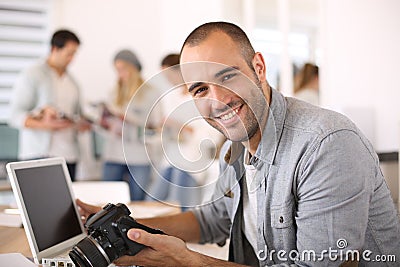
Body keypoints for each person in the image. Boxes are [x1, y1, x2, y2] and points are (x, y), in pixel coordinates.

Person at [78, 22, 400, 266]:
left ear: (258, 68)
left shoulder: (326, 145)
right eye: (200, 89)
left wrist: (187, 261)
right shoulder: (236, 148)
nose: (218, 101)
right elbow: (212, 220)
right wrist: (124, 229)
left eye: (228, 76)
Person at [9, 29, 90, 181]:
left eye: (74, 54)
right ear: (54, 49)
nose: (72, 59)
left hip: (69, 156)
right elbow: (15, 115)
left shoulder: (73, 82)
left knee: (67, 204)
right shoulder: (32, 74)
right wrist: (46, 124)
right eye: (69, 54)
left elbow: (78, 116)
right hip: (39, 156)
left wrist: (82, 124)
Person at [147, 53, 224, 209]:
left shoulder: (202, 96)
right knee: (152, 201)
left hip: (191, 159)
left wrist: (183, 128)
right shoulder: (172, 96)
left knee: (181, 206)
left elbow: (212, 134)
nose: (167, 79)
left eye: (168, 74)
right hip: (171, 158)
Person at [99, 49, 162, 201]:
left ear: (134, 68)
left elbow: (157, 125)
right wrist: (104, 122)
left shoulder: (152, 93)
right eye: (117, 70)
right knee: (108, 201)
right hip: (114, 154)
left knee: (137, 203)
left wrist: (129, 118)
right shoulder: (113, 92)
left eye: (122, 69)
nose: (119, 74)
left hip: (139, 156)